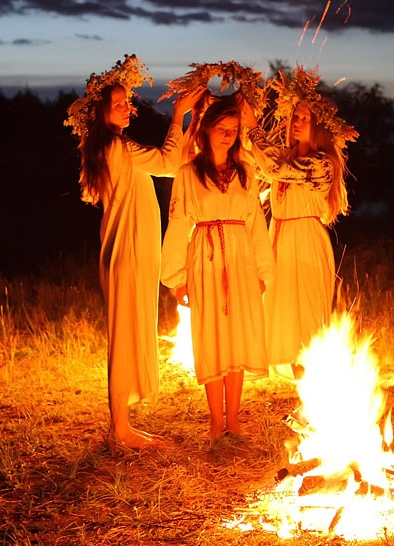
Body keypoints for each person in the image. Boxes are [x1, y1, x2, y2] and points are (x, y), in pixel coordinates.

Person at [65, 55, 203, 448]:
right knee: (124, 336)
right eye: (119, 104)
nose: (129, 108)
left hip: (129, 250)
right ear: (102, 112)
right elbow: (168, 161)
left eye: (128, 102)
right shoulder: (116, 147)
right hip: (127, 251)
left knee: (131, 331)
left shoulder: (114, 146)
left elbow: (172, 163)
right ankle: (120, 429)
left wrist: (191, 127)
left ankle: (123, 424)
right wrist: (179, 114)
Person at [161, 95, 274, 445]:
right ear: (207, 129)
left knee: (237, 335)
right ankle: (215, 421)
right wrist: (177, 279)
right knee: (211, 336)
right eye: (222, 128)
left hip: (240, 258)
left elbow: (256, 223)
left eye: (234, 129)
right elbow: (178, 224)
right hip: (205, 257)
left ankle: (234, 420)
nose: (228, 135)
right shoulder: (188, 173)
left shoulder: (246, 172)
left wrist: (262, 271)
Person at [239, 66, 357, 378]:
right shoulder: (287, 156)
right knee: (282, 309)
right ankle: (296, 376)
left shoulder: (321, 164)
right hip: (279, 236)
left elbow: (274, 168)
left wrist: (254, 128)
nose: (298, 122)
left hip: (305, 239)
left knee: (305, 309)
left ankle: (315, 379)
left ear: (319, 126)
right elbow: (257, 160)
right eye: (296, 117)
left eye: (306, 118)